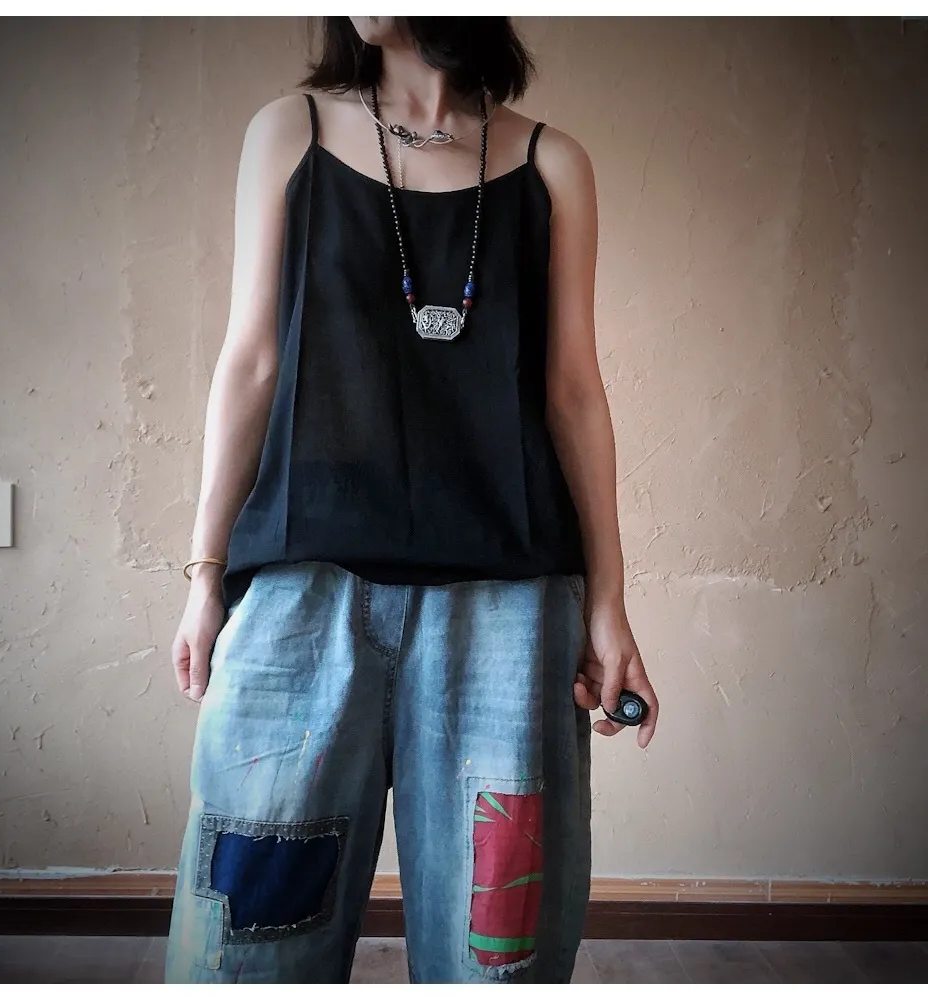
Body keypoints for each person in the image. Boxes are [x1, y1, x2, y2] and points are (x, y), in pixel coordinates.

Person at [164, 16, 659, 984]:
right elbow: (250, 362)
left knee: (496, 953)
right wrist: (205, 571)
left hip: (507, 616)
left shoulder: (554, 166)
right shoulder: (290, 133)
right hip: (303, 599)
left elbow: (573, 393)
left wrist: (608, 601)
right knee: (248, 951)